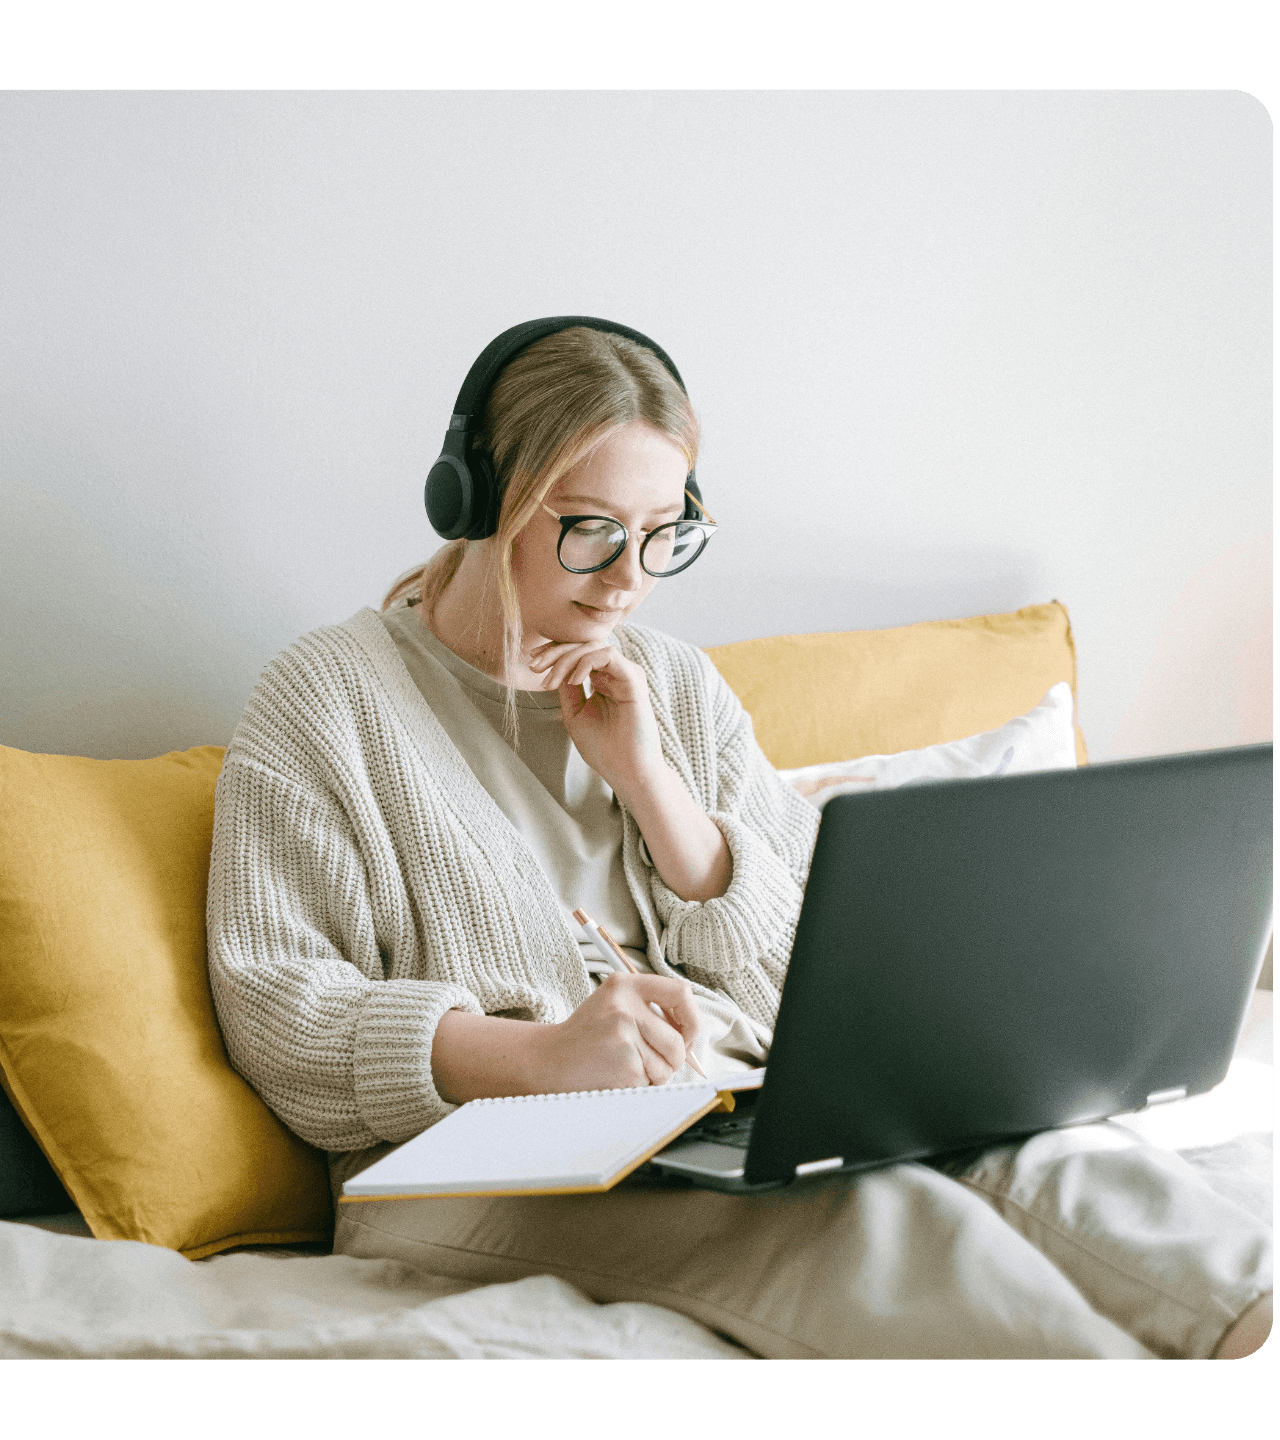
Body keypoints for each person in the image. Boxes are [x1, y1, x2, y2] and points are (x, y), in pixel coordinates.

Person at [205, 318, 1273, 1359]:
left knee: (1065, 1166)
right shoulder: (325, 700)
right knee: (885, 1230)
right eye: (589, 528)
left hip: (726, 1110)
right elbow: (280, 1010)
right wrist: (540, 1057)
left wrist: (656, 788)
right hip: (461, 1168)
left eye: (662, 533)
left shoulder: (670, 682)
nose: (628, 578)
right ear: (480, 501)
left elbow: (817, 960)